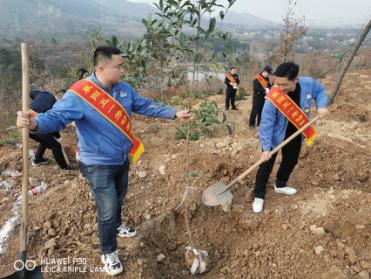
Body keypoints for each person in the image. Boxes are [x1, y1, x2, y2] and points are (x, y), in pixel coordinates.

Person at [17, 46, 190, 276]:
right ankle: (108, 251)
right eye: (118, 66)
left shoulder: (124, 89)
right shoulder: (80, 94)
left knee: (119, 197)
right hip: (96, 163)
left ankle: (117, 226)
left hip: (121, 158)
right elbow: (56, 117)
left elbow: (144, 105)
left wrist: (173, 113)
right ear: (101, 68)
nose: (123, 70)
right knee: (107, 209)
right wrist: (35, 124)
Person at [252, 62, 329, 214]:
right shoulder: (273, 98)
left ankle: (280, 184)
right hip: (275, 137)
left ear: (295, 80)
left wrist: (321, 105)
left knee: (291, 160)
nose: (279, 87)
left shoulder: (307, 83)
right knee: (265, 165)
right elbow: (266, 125)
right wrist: (266, 148)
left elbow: (320, 91)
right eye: (277, 83)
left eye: (283, 84)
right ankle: (259, 195)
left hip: (297, 132)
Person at [28, 84, 70, 169]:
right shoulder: (53, 103)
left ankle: (38, 159)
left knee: (45, 139)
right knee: (56, 146)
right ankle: (65, 168)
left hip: (28, 127)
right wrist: (57, 137)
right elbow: (53, 124)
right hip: (36, 124)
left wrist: (56, 136)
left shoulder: (39, 98)